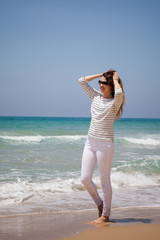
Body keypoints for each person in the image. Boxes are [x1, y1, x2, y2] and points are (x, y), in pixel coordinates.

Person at [78, 70, 125, 224]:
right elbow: (81, 81)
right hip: (90, 142)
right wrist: (100, 75)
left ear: (111, 85)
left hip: (105, 144)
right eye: (100, 82)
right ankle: (100, 204)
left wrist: (116, 79)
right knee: (85, 178)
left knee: (105, 180)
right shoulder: (95, 97)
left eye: (105, 83)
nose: (101, 85)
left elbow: (119, 94)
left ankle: (105, 215)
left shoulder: (114, 102)